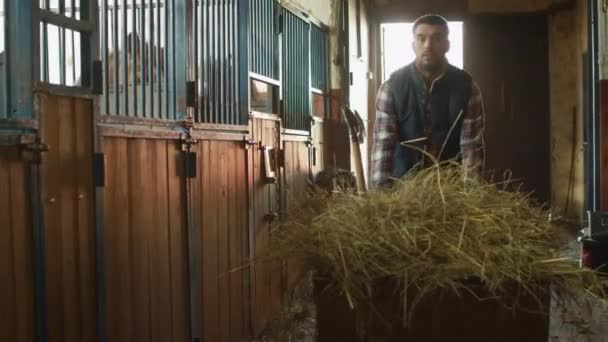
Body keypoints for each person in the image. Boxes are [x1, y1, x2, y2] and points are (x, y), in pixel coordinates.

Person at [371, 14, 485, 188]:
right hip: (403, 190)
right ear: (413, 45)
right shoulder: (391, 88)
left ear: (447, 45)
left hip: (451, 190)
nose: (428, 45)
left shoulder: (467, 88)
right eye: (421, 38)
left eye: (437, 38)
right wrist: (380, 197)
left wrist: (468, 197)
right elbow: (384, 146)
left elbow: (471, 147)